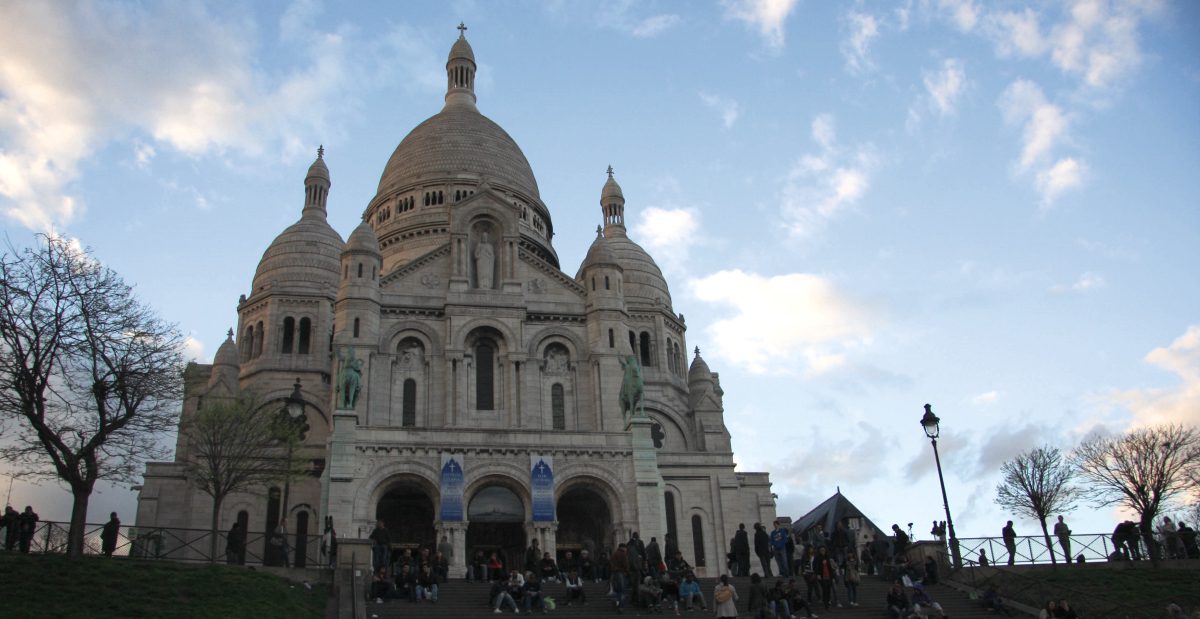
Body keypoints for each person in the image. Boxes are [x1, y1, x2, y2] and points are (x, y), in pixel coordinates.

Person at [811, 545, 836, 610]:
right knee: (825, 590)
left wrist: (832, 576)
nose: (823, 551)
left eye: (824, 550)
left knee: (828, 590)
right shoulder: (817, 558)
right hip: (822, 576)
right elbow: (815, 566)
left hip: (828, 576)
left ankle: (827, 602)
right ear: (819, 551)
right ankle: (826, 604)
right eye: (821, 550)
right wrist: (818, 574)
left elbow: (830, 567)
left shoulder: (827, 557)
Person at [610, 542, 630, 613]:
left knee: (617, 591)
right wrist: (627, 572)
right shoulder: (623, 554)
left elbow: (611, 564)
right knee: (622, 591)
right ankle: (621, 607)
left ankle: (616, 604)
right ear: (623, 548)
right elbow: (626, 564)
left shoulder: (614, 554)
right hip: (621, 573)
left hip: (614, 574)